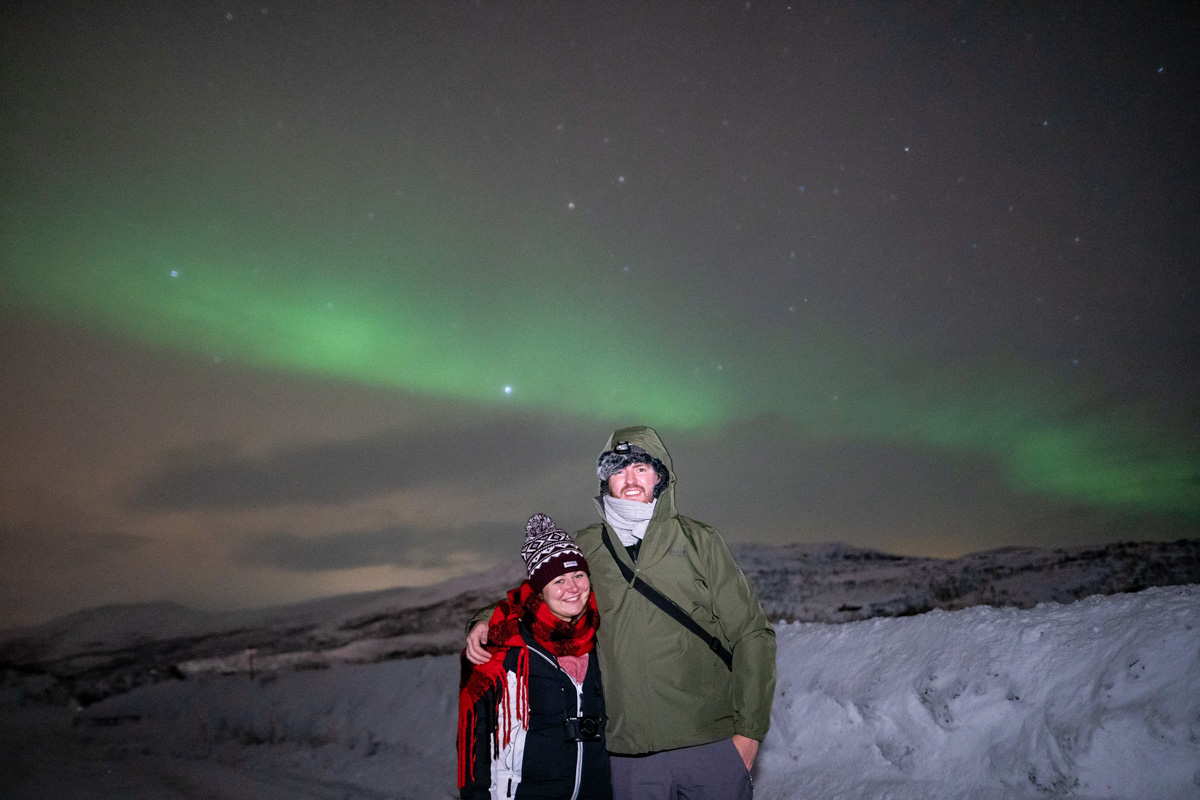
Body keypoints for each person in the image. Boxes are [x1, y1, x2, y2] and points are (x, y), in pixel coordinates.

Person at [467, 426, 776, 800]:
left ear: (660, 476)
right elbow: (541, 595)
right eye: (618, 469)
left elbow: (751, 634)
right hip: (628, 755)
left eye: (641, 468)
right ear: (606, 480)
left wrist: (749, 734)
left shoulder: (700, 541)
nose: (630, 479)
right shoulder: (587, 547)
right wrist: (486, 618)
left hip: (709, 745)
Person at [458, 513, 612, 800]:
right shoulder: (503, 644)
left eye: (579, 575)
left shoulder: (599, 635)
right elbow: (474, 736)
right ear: (540, 591)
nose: (573, 588)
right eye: (559, 580)